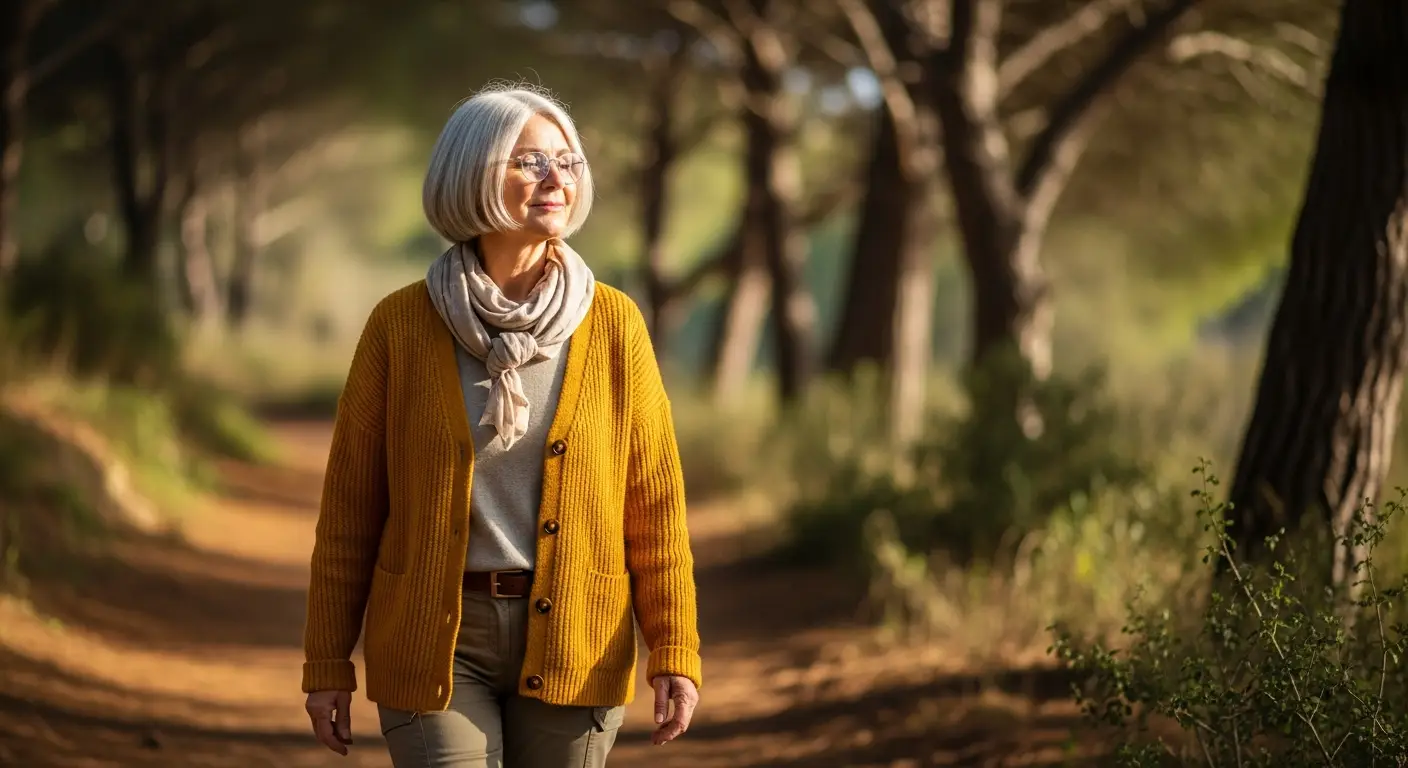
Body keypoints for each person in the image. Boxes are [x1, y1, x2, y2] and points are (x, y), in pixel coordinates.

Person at [299, 82, 702, 768]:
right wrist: (327, 659)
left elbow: (654, 507)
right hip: (433, 638)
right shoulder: (399, 327)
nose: (556, 179)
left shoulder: (614, 326)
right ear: (473, 175)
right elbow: (349, 512)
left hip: (579, 635)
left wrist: (675, 648)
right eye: (529, 162)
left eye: (567, 162)